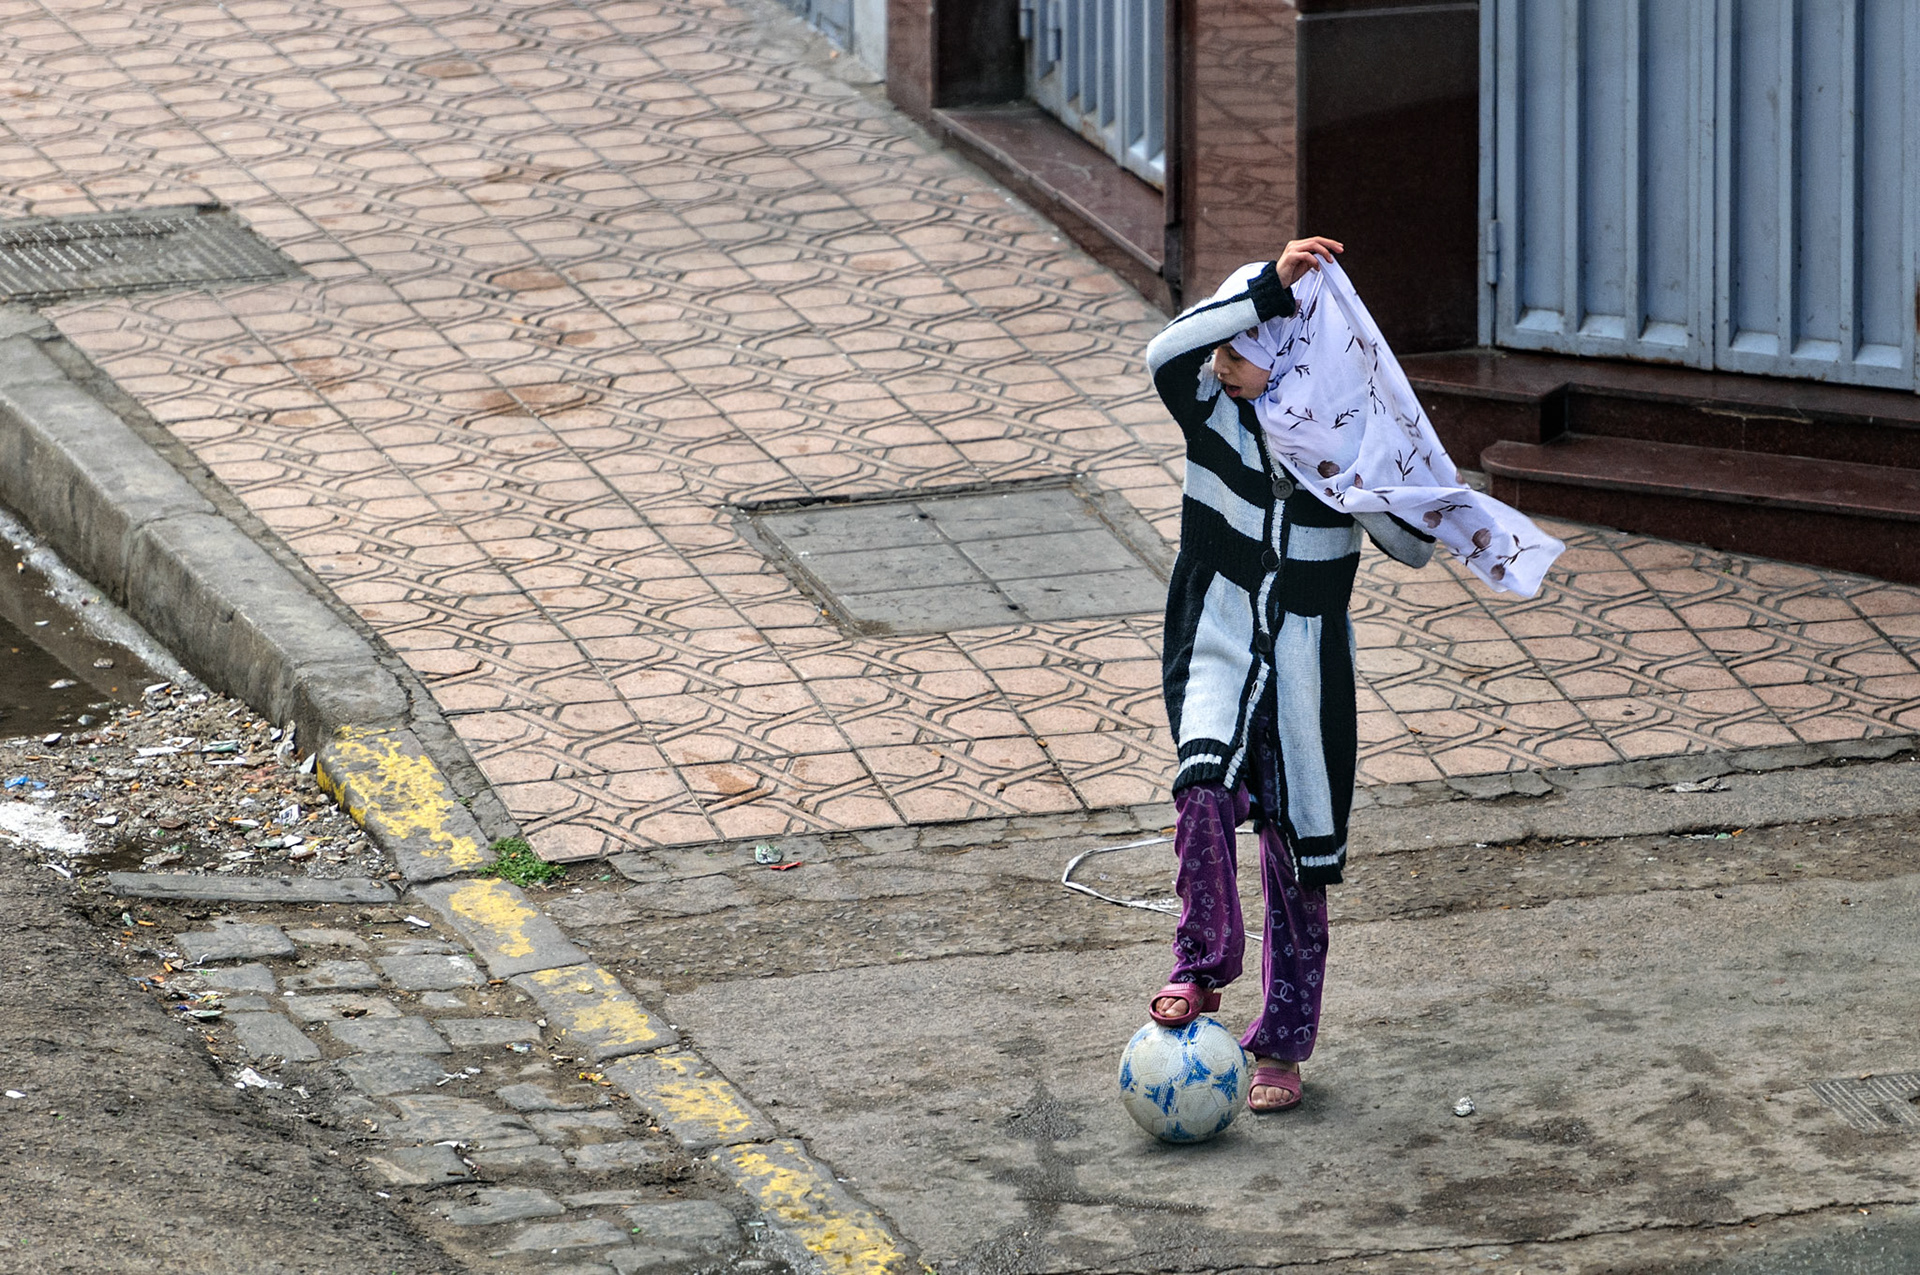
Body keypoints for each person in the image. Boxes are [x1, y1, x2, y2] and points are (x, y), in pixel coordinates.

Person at [1142, 238, 1563, 1113]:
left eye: (1244, 357)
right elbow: (1168, 350)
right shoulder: (1208, 413)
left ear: (1297, 363)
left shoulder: (1341, 450)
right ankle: (1203, 960)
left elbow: (1411, 546)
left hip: (1306, 671)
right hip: (1217, 640)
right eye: (1228, 351)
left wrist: (1394, 472)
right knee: (1203, 786)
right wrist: (1267, 292)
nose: (1225, 368)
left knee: (1300, 855)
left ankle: (1284, 1047)